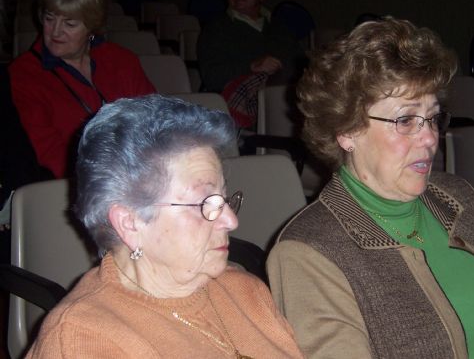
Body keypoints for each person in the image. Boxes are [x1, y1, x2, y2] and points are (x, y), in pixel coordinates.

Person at [267, 18, 474, 358]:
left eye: (432, 117)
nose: (431, 137)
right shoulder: (309, 251)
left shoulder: (455, 198)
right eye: (405, 120)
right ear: (346, 131)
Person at [26, 94, 304, 358]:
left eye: (224, 198)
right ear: (130, 223)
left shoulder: (244, 291)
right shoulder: (82, 341)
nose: (231, 220)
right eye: (205, 202)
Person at [9, 0, 156, 178]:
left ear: (92, 27)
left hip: (136, 173)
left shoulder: (122, 60)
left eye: (70, 24)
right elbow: (48, 151)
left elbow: (153, 120)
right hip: (69, 183)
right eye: (49, 19)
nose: (55, 32)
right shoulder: (24, 73)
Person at [197, 0, 305, 128]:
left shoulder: (280, 28)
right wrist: (251, 66)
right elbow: (211, 77)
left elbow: (300, 65)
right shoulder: (216, 29)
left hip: (288, 100)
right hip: (249, 107)